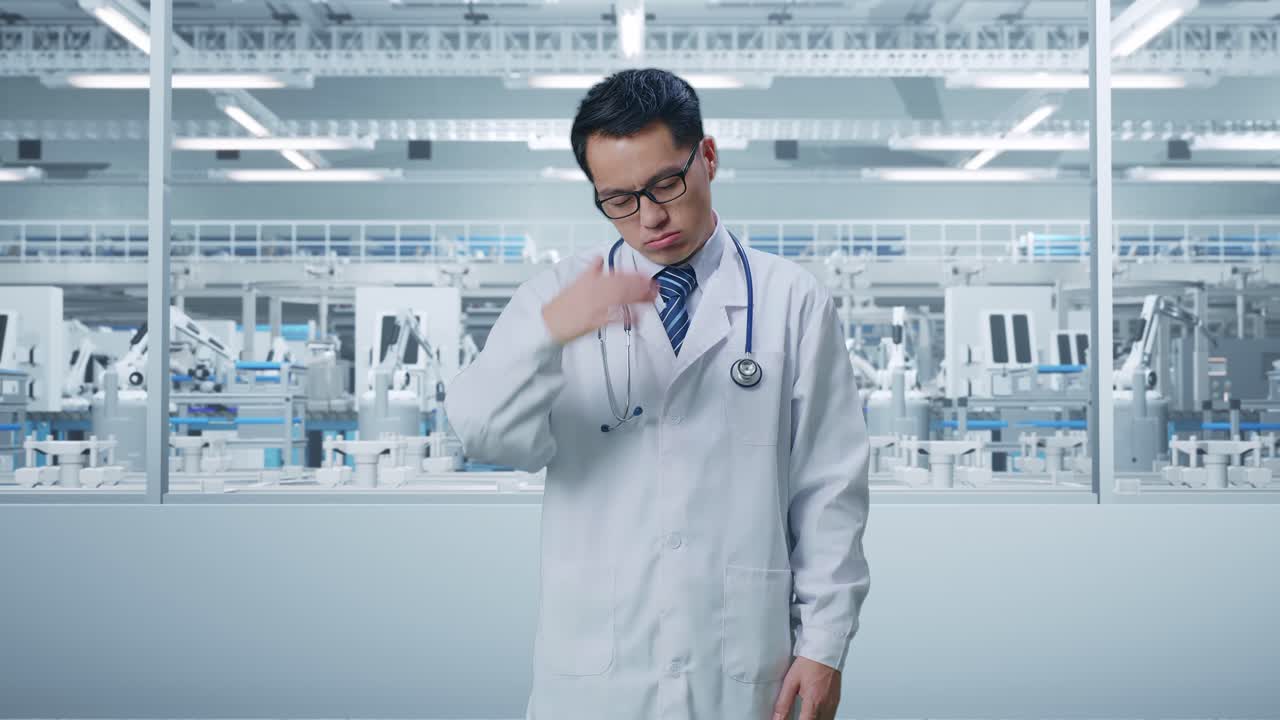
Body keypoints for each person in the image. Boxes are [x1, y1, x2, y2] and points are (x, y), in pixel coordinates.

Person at [445, 68, 870, 720]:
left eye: (665, 183)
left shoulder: (791, 301)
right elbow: (486, 435)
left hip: (741, 665)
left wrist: (825, 644)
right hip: (596, 673)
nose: (650, 218)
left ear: (707, 156)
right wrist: (548, 335)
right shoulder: (552, 299)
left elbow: (828, 490)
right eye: (618, 199)